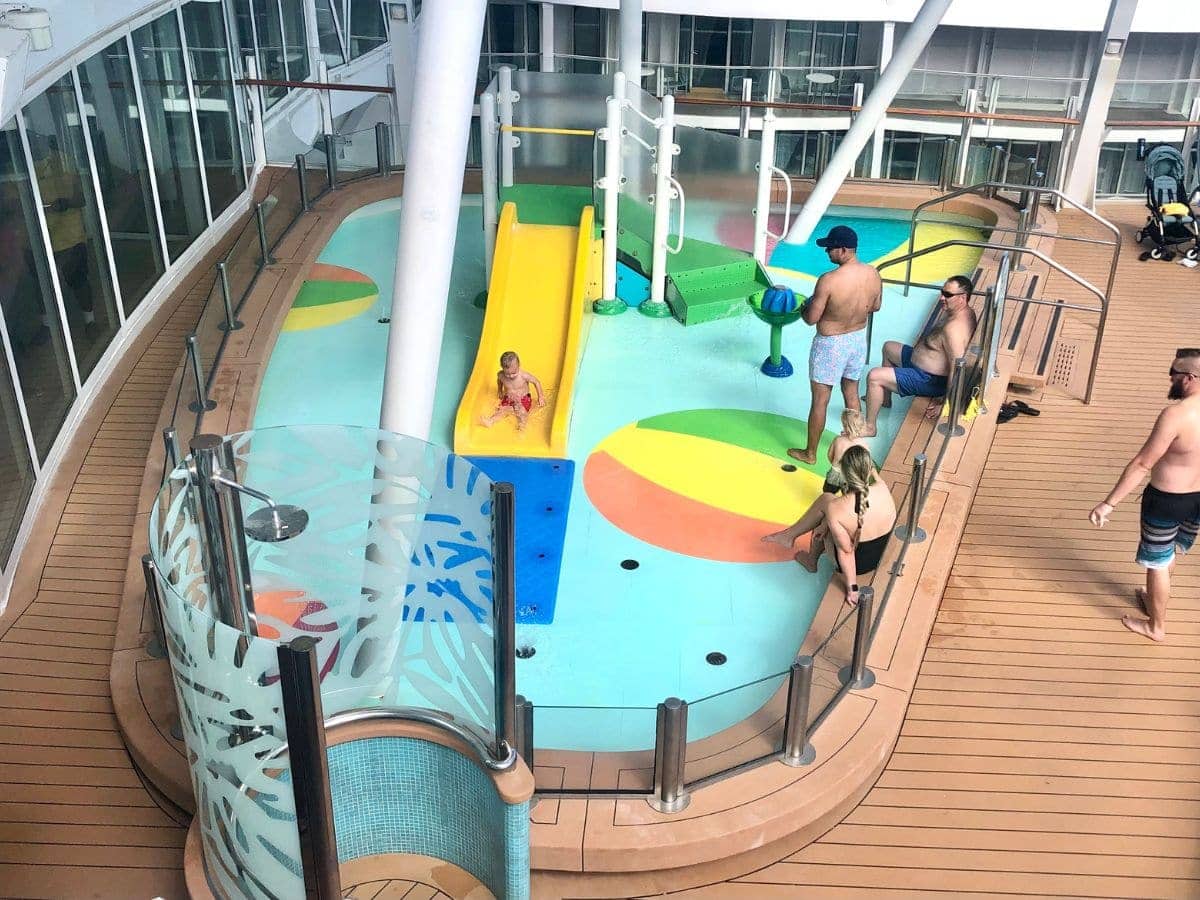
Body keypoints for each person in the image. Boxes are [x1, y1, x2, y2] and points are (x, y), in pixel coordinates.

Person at [1089, 348, 1200, 642]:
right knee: (1172, 550)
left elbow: (1142, 463)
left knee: (1157, 562)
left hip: (1167, 500)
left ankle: (1156, 625)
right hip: (1196, 499)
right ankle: (1156, 598)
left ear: (1190, 377)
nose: (1170, 378)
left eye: (1174, 373)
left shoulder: (1175, 415)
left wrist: (1108, 503)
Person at [787, 225, 881, 465]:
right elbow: (876, 306)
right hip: (858, 339)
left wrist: (802, 306)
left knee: (820, 400)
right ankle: (854, 446)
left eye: (830, 248)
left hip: (831, 344)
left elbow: (811, 319)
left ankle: (810, 454)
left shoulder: (828, 280)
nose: (827, 252)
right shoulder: (873, 273)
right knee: (851, 391)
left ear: (843, 250)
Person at [763, 445, 897, 607]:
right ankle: (789, 535)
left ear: (845, 475)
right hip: (882, 555)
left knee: (827, 511)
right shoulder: (882, 488)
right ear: (869, 469)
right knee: (827, 500)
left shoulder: (837, 509)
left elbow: (846, 553)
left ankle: (810, 559)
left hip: (860, 564)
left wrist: (853, 589)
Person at [860, 275, 976, 438]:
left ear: (963, 298)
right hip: (921, 364)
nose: (942, 297)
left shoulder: (954, 330)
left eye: (948, 295)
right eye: (942, 292)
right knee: (889, 347)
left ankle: (870, 427)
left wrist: (946, 403)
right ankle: (885, 399)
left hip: (928, 379)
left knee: (874, 376)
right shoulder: (961, 311)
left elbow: (957, 369)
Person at [481, 350, 544, 430]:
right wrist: (500, 390)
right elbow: (499, 381)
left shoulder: (523, 376)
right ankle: (490, 421)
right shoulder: (501, 375)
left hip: (523, 399)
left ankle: (522, 426)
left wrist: (541, 397)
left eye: (514, 373)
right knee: (502, 410)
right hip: (509, 398)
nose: (511, 376)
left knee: (522, 412)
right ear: (502, 368)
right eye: (507, 373)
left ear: (518, 366)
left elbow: (536, 382)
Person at [823, 408, 871, 494]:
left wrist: (835, 465)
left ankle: (827, 505)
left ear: (845, 426)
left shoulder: (838, 440)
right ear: (862, 426)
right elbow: (866, 465)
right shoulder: (864, 444)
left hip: (835, 473)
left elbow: (830, 455)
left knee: (828, 493)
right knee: (848, 496)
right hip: (851, 476)